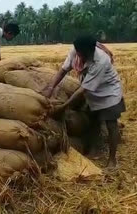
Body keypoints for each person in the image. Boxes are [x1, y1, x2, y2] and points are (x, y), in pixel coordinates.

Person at [42, 35, 125, 168]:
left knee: (111, 124)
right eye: (79, 52)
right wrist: (51, 87)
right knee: (93, 120)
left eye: (84, 53)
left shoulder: (101, 61)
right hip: (92, 91)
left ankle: (112, 159)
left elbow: (84, 89)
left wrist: (64, 106)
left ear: (90, 50)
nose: (81, 55)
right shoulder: (76, 51)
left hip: (108, 92)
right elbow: (63, 70)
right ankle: (93, 149)